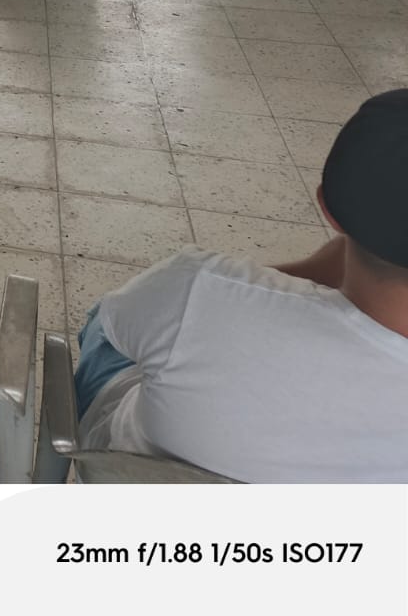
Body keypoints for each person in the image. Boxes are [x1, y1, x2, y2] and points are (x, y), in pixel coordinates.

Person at [73, 89, 408, 483]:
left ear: (329, 209)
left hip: (131, 491)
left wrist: (310, 273)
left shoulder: (197, 292)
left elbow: (118, 318)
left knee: (108, 324)